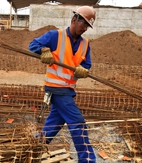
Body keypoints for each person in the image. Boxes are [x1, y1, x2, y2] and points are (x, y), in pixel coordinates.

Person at [29, 6, 96, 163]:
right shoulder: (55, 36)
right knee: (77, 122)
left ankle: (33, 146)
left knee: (55, 124)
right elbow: (32, 45)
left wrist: (83, 70)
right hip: (56, 89)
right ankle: (88, 160)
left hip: (68, 90)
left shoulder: (85, 44)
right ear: (74, 20)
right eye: (83, 24)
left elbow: (87, 65)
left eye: (87, 26)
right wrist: (44, 51)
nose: (85, 29)